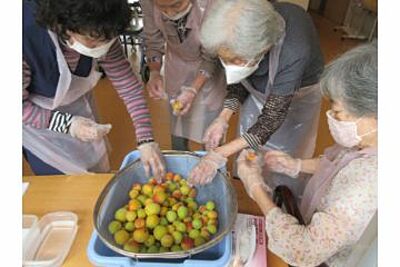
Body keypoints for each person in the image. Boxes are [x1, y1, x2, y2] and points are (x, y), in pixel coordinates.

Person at [237, 42, 377, 267]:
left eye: (339, 113)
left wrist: (255, 188)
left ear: (375, 115)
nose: (332, 118)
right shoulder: (367, 140)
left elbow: (304, 251)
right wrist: (296, 165)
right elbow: (341, 164)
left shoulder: (368, 184)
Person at [188, 0, 324, 196]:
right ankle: (250, 184)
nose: (229, 65)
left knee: (282, 158)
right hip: (259, 89)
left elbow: (270, 119)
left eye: (235, 60)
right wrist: (223, 118)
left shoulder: (294, 49)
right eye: (224, 59)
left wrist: (220, 153)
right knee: (250, 151)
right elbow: (240, 80)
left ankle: (279, 195)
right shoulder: (241, 43)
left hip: (298, 98)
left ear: (264, 48)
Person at [23, 0, 165, 180]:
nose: (102, 46)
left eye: (108, 40)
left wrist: (146, 140)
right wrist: (68, 124)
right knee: (61, 183)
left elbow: (128, 86)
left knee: (93, 173)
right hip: (37, 124)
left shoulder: (102, 28)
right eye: (92, 41)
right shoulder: (25, 39)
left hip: (78, 105)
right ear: (65, 27)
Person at [141, 0, 226, 151]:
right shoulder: (148, 2)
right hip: (177, 66)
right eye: (162, 7)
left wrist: (193, 89)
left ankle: (211, 164)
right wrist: (154, 72)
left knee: (210, 130)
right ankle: (180, 158)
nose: (170, 13)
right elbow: (153, 41)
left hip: (209, 70)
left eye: (176, 5)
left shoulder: (213, 4)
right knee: (178, 123)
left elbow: (210, 56)